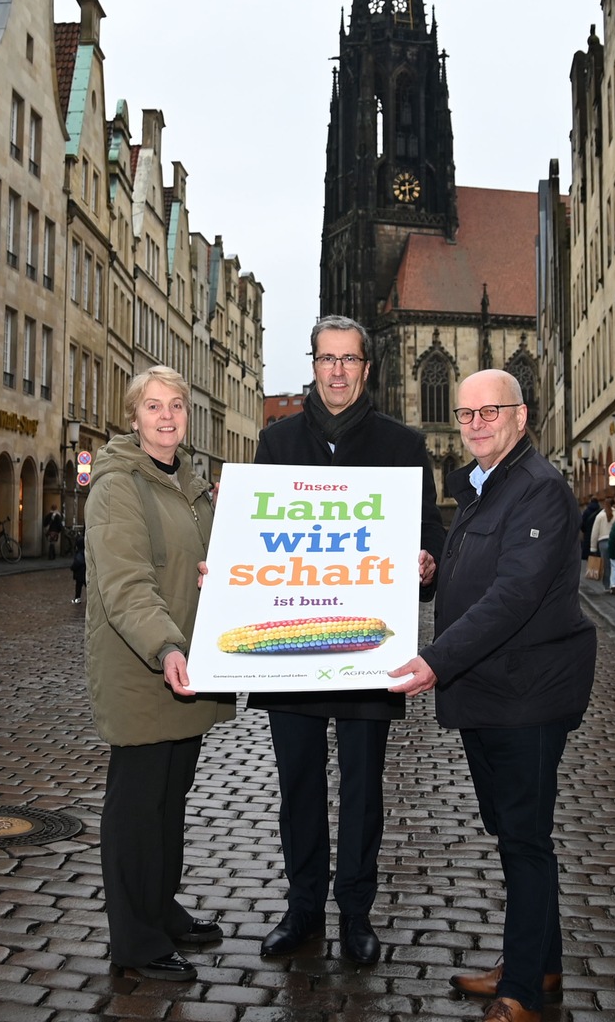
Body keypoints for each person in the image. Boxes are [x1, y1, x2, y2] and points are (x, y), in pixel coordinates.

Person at [386, 369, 596, 1022]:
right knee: (514, 832)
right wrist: (434, 567)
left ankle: (522, 993)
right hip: (493, 691)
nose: (475, 423)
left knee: (524, 840)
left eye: (489, 412)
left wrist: (434, 661)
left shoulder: (536, 488)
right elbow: (480, 570)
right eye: (466, 413)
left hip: (525, 693)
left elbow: (512, 596)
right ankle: (540, 962)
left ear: (520, 416)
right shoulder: (488, 485)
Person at [250, 315, 445, 966]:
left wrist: (424, 566)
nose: (337, 370)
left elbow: (429, 537)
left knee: (362, 792)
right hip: (294, 652)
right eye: (326, 359)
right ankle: (303, 908)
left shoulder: (401, 444)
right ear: (312, 365)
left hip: (369, 651)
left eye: (349, 360)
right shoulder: (275, 443)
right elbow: (259, 544)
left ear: (367, 369)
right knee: (298, 787)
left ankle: (355, 913)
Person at [84, 366, 234, 982]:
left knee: (171, 800)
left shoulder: (191, 486)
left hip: (188, 665)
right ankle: (135, 940)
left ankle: (160, 907)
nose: (167, 416)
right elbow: (127, 586)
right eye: (153, 406)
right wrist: (168, 649)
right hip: (146, 665)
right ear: (134, 415)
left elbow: (207, 567)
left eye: (176, 405)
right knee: (136, 806)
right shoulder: (118, 485)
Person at [589, 496, 615, 593]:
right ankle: (614, 583)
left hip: (603, 542)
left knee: (605, 565)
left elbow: (595, 532)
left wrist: (593, 548)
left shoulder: (600, 516)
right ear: (614, 504)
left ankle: (606, 585)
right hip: (614, 541)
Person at [579, 495, 599, 560]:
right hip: (598, 534)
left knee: (588, 553)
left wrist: (584, 530)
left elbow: (582, 523)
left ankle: (591, 566)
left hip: (588, 534)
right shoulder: (600, 511)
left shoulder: (586, 511)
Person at [71, 533, 86, 604]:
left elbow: (77, 563)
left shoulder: (79, 554)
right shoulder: (86, 552)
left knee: (78, 588)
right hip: (85, 573)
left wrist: (72, 568)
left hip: (79, 574)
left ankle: (77, 599)